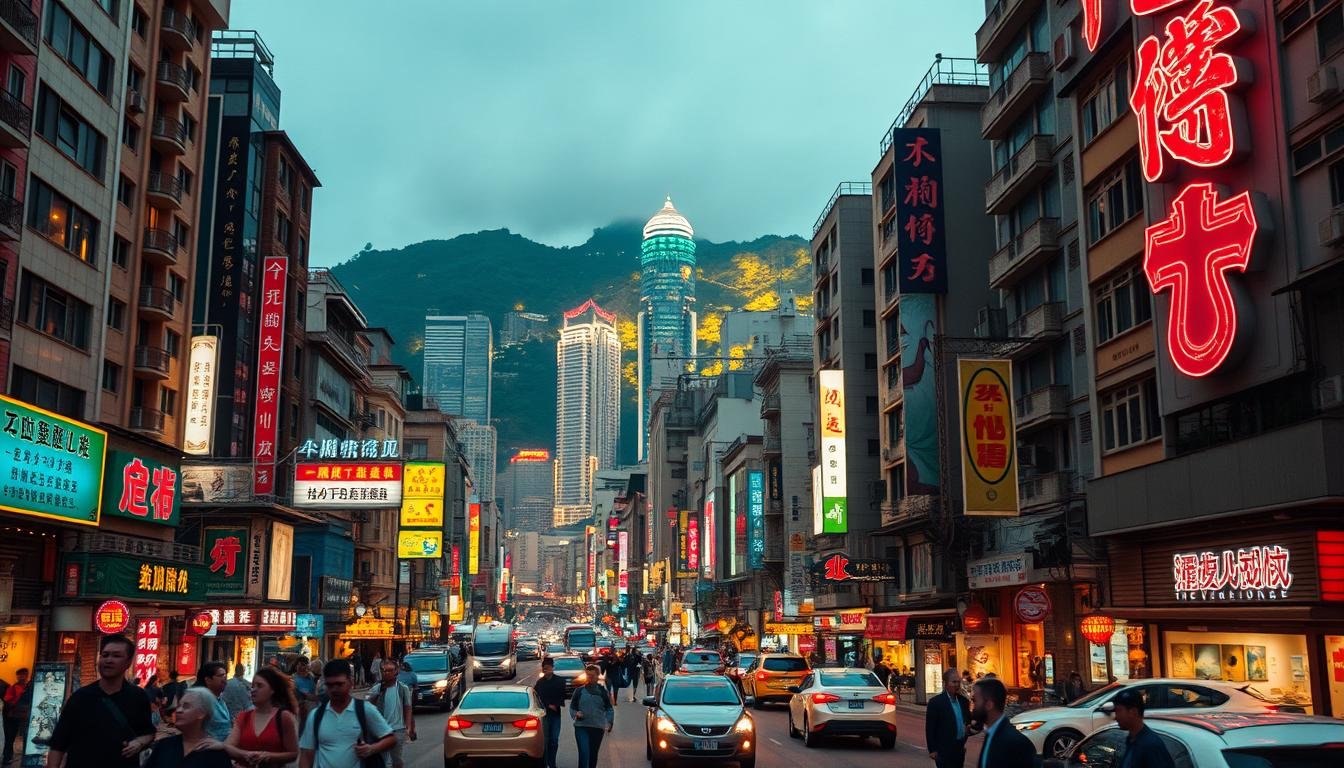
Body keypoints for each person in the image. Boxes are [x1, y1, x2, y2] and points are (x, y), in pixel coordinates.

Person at [45, 634, 156, 768]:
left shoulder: (138, 697)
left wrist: (139, 742)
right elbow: (58, 743)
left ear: (128, 662)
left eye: (116, 656)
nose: (108, 660)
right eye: (105, 655)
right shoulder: (80, 697)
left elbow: (148, 732)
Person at [297, 659, 395, 768]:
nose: (334, 689)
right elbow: (306, 755)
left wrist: (371, 749)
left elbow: (390, 739)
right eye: (330, 685)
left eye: (339, 684)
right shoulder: (316, 716)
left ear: (350, 683)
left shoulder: (364, 710)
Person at [212, 666, 299, 768]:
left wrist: (268, 756)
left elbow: (293, 753)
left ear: (272, 690)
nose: (253, 690)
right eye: (253, 686)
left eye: (259, 686)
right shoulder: (243, 717)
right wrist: (246, 755)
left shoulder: (283, 717)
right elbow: (229, 746)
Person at [142, 687, 231, 768]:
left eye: (186, 706)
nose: (178, 710)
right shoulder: (164, 745)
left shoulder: (216, 754)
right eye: (179, 706)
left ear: (201, 713)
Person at [970, 677, 1034, 768]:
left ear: (989, 705)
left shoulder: (1017, 743)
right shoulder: (990, 734)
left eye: (974, 700)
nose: (972, 705)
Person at [1113, 689, 1176, 768]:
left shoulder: (1151, 746)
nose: (1115, 717)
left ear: (1133, 712)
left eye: (1118, 711)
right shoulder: (1131, 741)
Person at [369, 660, 414, 768]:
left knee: (397, 760)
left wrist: (408, 727)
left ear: (396, 671)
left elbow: (407, 707)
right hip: (381, 731)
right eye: (384, 671)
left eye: (390, 670)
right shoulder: (376, 689)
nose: (387, 673)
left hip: (398, 729)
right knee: (381, 761)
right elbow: (368, 707)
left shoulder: (403, 689)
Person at [926, 669, 972, 768]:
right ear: (945, 683)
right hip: (943, 749)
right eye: (954, 682)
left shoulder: (963, 701)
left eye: (958, 682)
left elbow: (968, 722)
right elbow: (930, 728)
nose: (957, 685)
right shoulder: (936, 702)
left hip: (959, 748)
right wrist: (932, 750)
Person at [569, 665, 613, 768]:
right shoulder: (579, 691)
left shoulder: (603, 692)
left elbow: (609, 709)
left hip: (597, 727)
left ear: (598, 676)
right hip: (581, 726)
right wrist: (576, 713)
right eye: (588, 675)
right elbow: (572, 707)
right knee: (584, 753)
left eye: (592, 676)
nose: (590, 678)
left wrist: (609, 722)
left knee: (593, 754)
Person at [534, 657, 567, 768]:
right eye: (544, 669)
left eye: (548, 668)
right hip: (544, 715)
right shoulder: (540, 683)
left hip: (555, 715)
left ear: (552, 668)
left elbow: (562, 696)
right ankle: (547, 762)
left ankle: (552, 762)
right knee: (546, 740)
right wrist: (548, 704)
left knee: (554, 740)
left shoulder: (560, 681)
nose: (546, 670)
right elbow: (537, 697)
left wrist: (556, 704)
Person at [195, 662, 233, 742]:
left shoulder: (221, 700)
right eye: (220, 676)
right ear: (208, 680)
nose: (225, 678)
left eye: (225, 675)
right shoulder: (201, 701)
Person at [3, 667, 30, 766]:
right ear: (17, 676)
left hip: (25, 716)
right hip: (13, 717)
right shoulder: (13, 687)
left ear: (27, 675)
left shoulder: (29, 687)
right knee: (10, 738)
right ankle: (7, 758)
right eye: (20, 675)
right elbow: (7, 701)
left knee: (26, 737)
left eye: (24, 674)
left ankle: (25, 757)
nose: (22, 677)